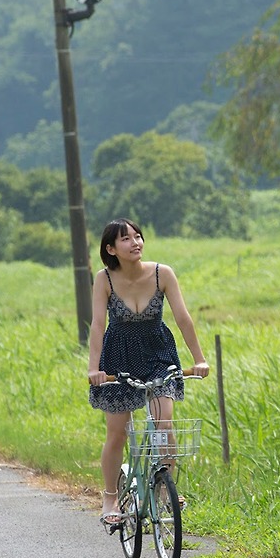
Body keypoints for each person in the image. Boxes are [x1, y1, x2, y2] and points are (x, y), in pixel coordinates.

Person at [86, 218, 209, 525]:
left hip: (158, 353)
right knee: (116, 433)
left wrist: (200, 359)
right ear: (111, 249)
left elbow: (182, 317)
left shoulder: (161, 273)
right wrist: (94, 368)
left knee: (163, 420)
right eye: (126, 239)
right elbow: (99, 325)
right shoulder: (104, 279)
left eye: (138, 236)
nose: (135, 242)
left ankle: (165, 487)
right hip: (118, 357)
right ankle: (110, 498)